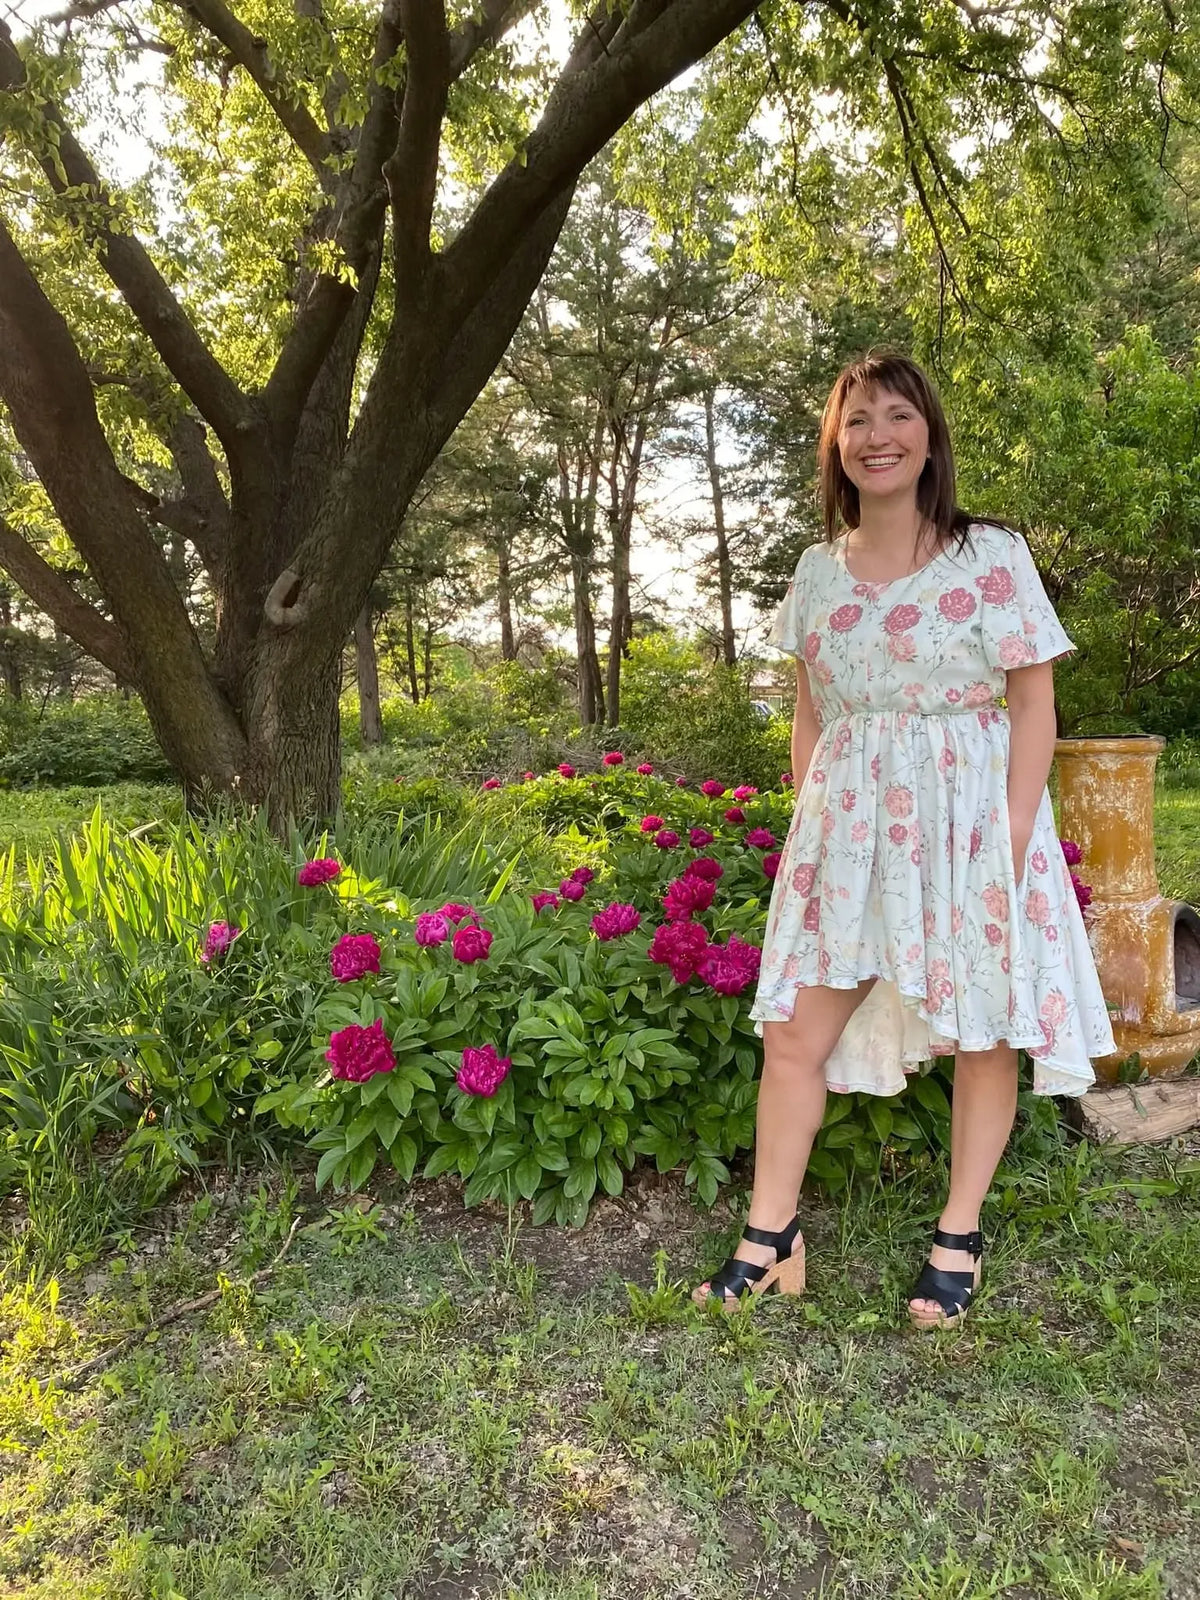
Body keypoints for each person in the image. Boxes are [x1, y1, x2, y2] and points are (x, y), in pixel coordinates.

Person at [691, 351, 1116, 1325]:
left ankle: (957, 1234)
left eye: (896, 416)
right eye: (857, 420)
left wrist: (1008, 842)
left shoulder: (991, 556)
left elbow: (1035, 703)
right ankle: (771, 1237)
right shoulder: (813, 572)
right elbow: (810, 714)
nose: (877, 436)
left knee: (982, 1029)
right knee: (794, 1031)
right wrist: (810, 828)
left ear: (929, 435)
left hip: (970, 819)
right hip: (846, 829)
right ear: (836, 447)